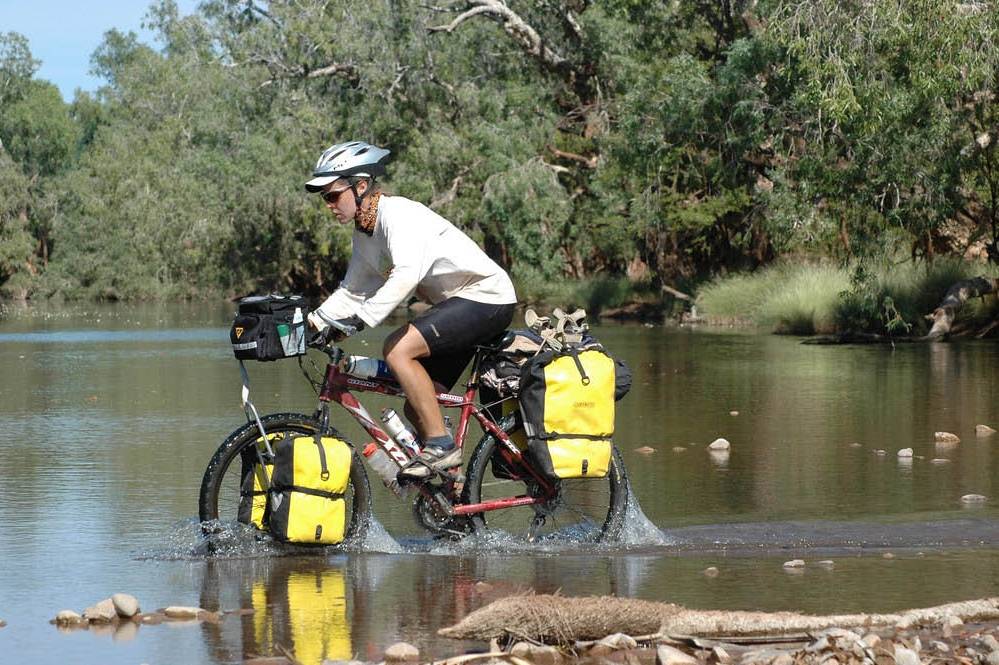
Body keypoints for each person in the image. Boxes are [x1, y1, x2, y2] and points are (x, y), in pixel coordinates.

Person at [304, 140, 517, 479]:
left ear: (361, 186)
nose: (329, 205)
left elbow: (406, 276)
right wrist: (310, 325)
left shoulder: (398, 214)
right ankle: (455, 498)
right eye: (324, 199)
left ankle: (442, 448)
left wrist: (359, 321)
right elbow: (352, 290)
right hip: (458, 304)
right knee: (417, 403)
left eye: (332, 195)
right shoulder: (365, 231)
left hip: (487, 297)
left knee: (397, 349)